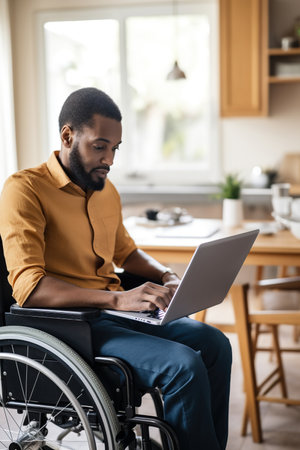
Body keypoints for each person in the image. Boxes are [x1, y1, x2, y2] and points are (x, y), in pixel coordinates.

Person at [0, 87, 232, 450]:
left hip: (110, 312)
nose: (109, 159)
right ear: (68, 136)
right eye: (100, 146)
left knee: (215, 343)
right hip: (70, 326)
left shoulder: (106, 191)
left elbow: (126, 251)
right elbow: (30, 288)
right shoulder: (25, 190)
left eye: (115, 149)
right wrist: (118, 300)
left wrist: (167, 276)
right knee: (183, 366)